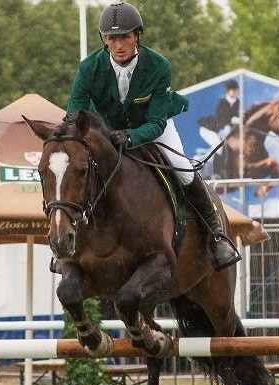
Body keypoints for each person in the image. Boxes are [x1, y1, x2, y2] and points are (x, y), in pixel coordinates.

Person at [66, 1, 240, 271]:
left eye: (124, 36)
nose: (118, 44)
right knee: (73, 172)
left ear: (137, 35)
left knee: (183, 169)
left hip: (152, 127)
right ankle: (67, 246)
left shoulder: (159, 66)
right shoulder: (89, 67)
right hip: (108, 129)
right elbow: (75, 111)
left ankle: (215, 236)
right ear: (105, 41)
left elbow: (157, 121)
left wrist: (133, 138)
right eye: (112, 38)